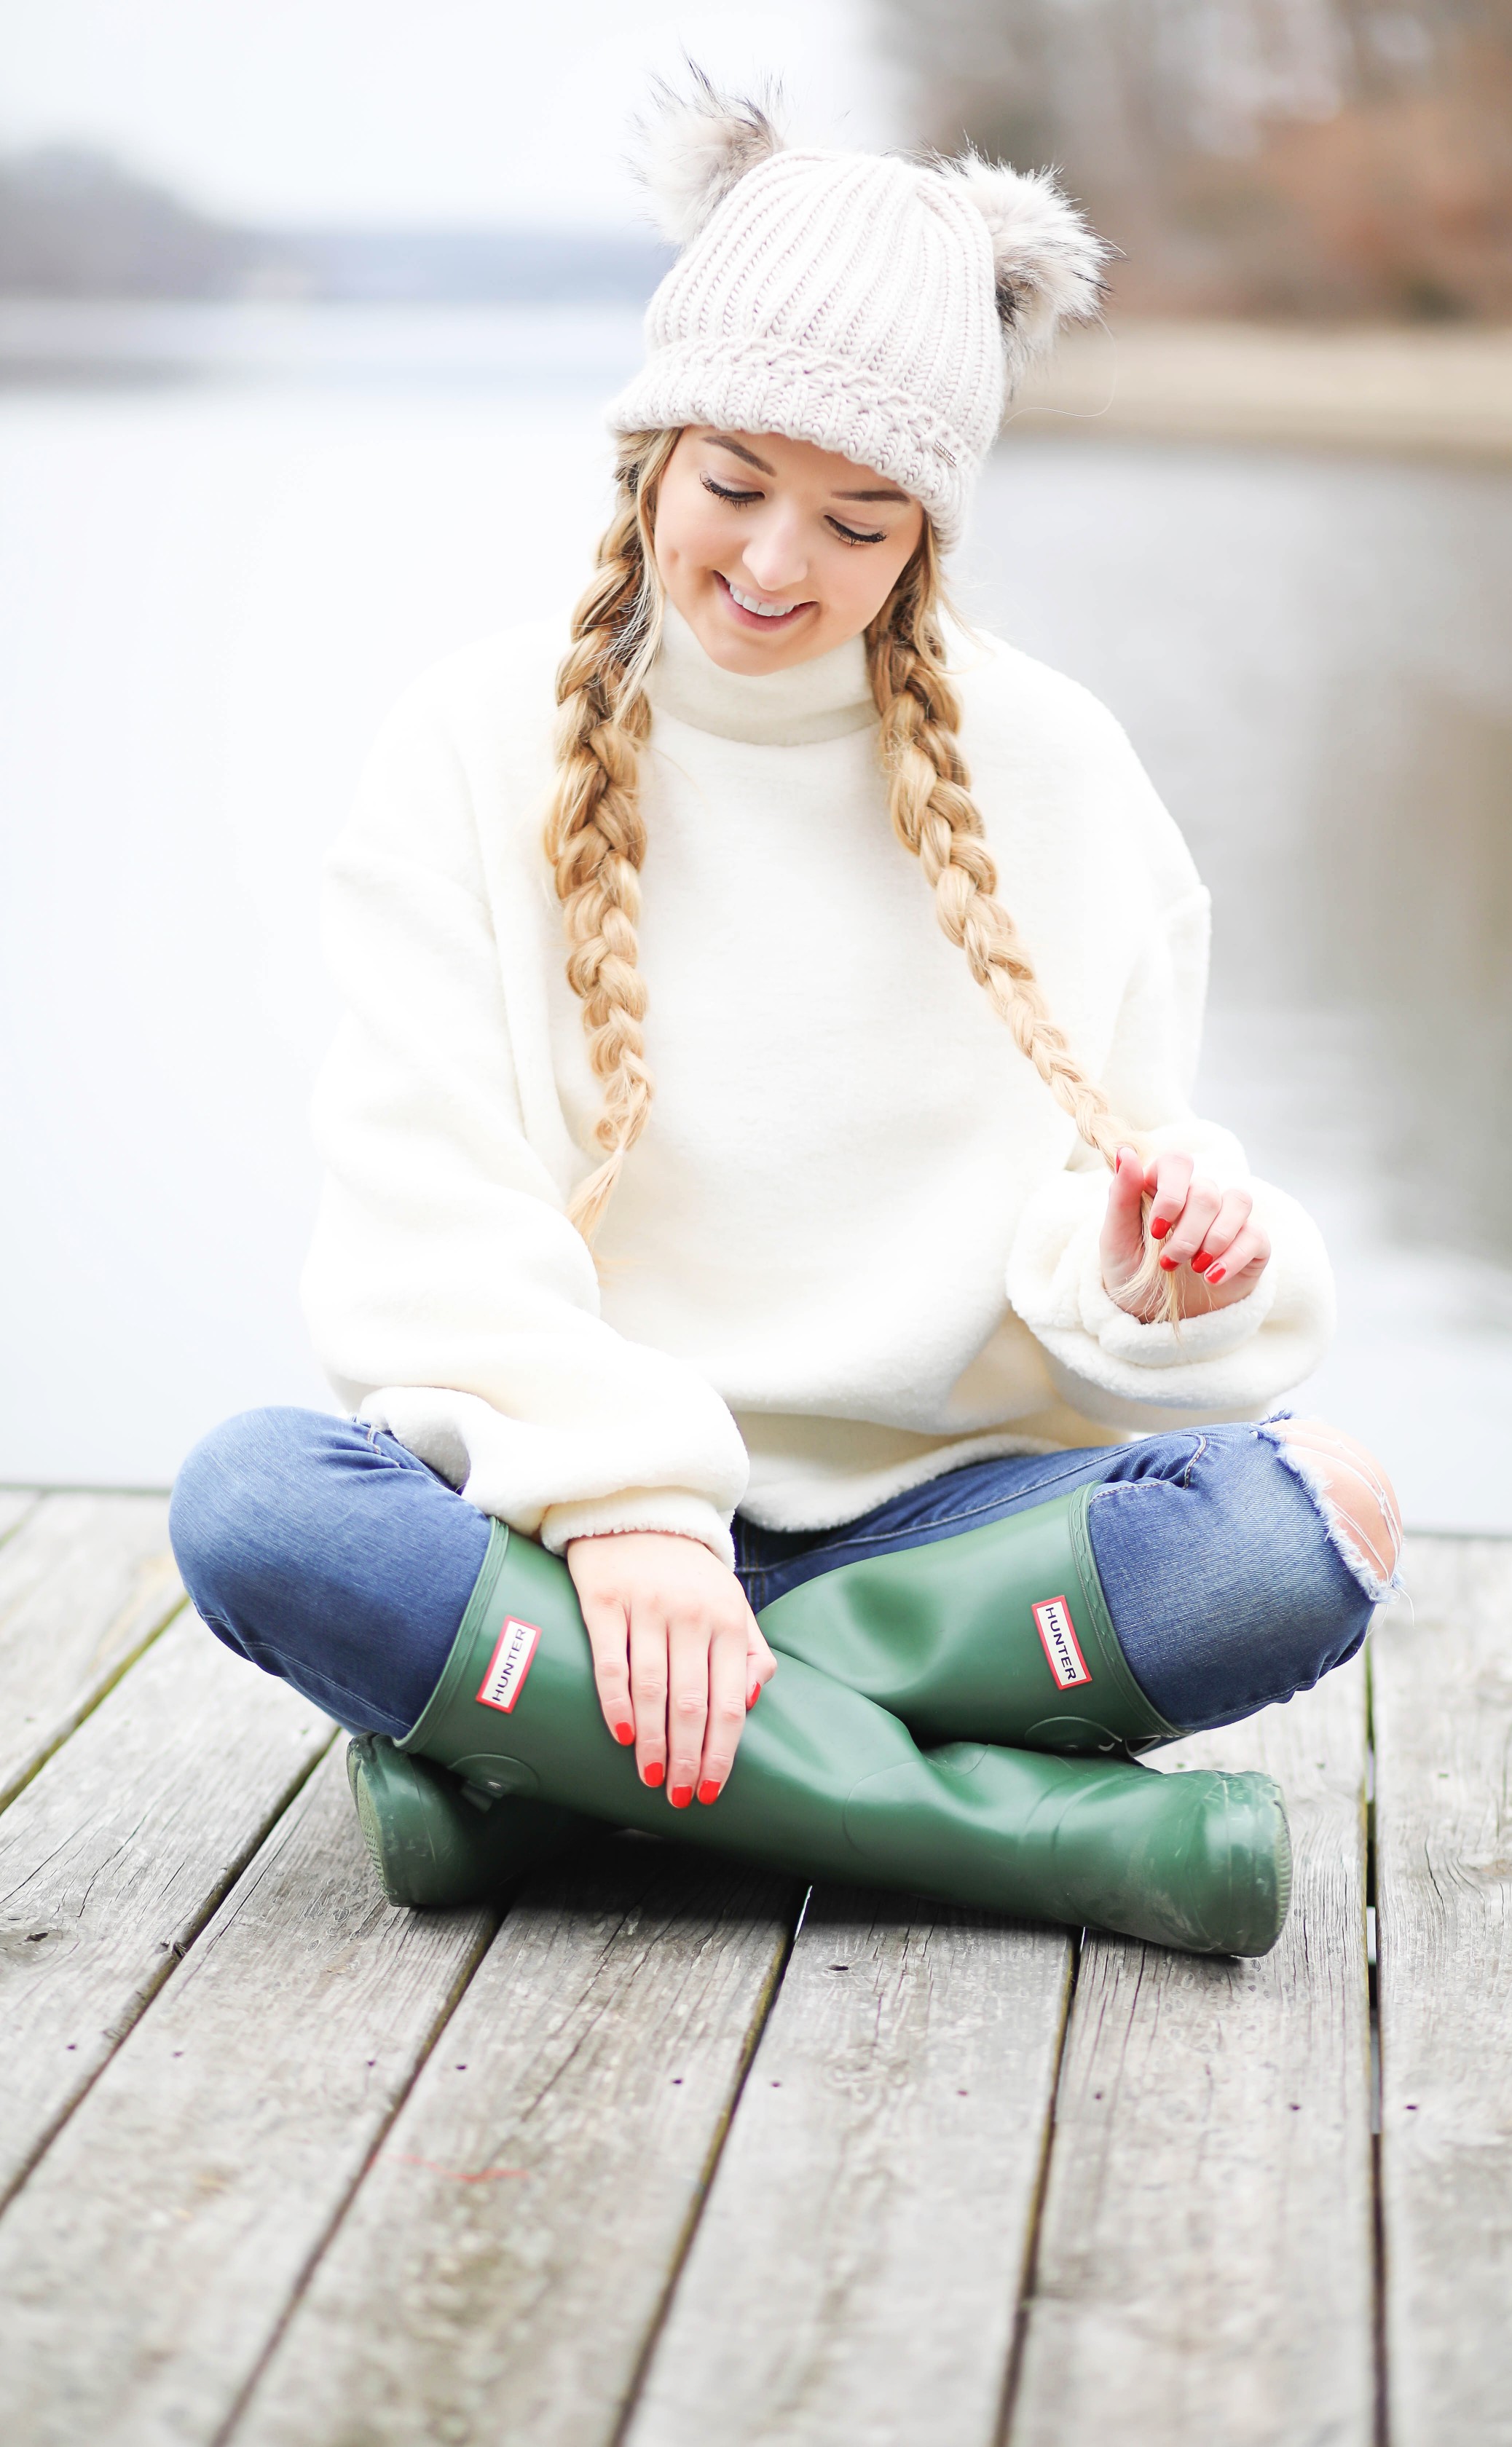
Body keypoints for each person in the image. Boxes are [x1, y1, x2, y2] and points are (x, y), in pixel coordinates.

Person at [170, 77, 1400, 1958]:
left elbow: (1111, 1185)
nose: (773, 565)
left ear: (927, 535)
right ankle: (1029, 1837)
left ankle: (537, 1777)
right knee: (263, 1504)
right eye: (734, 485)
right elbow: (429, 1225)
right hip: (569, 1528)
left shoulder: (1053, 767)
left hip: (945, 1526)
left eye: (859, 520)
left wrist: (1165, 1259)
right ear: (649, 458)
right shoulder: (467, 747)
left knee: (1318, 1521)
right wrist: (638, 1508)